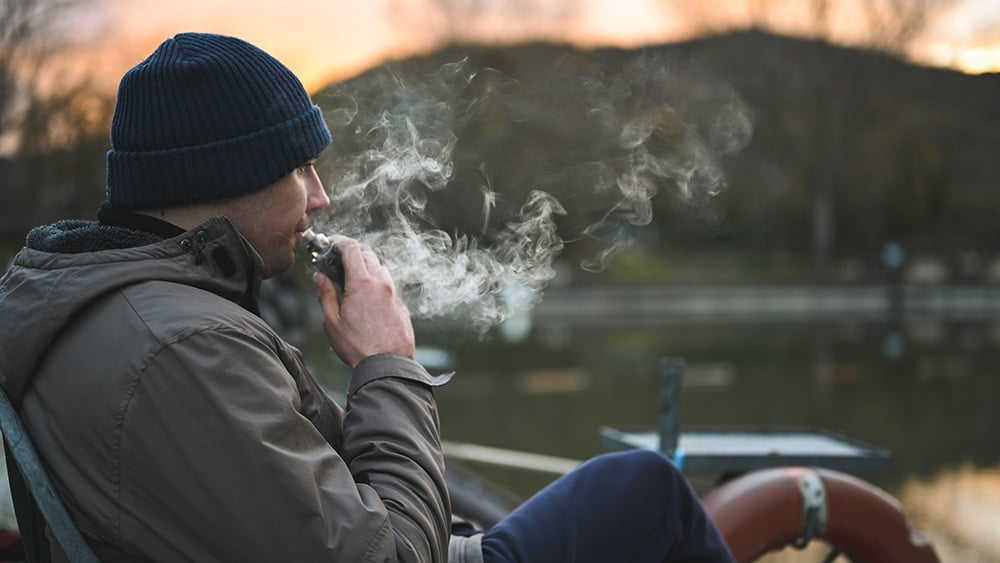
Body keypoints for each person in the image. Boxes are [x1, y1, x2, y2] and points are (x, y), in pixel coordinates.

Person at [0, 32, 735, 562]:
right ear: (223, 176)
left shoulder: (119, 307)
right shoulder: (182, 344)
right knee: (646, 491)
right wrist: (388, 364)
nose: (320, 197)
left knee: (629, 488)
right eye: (300, 169)